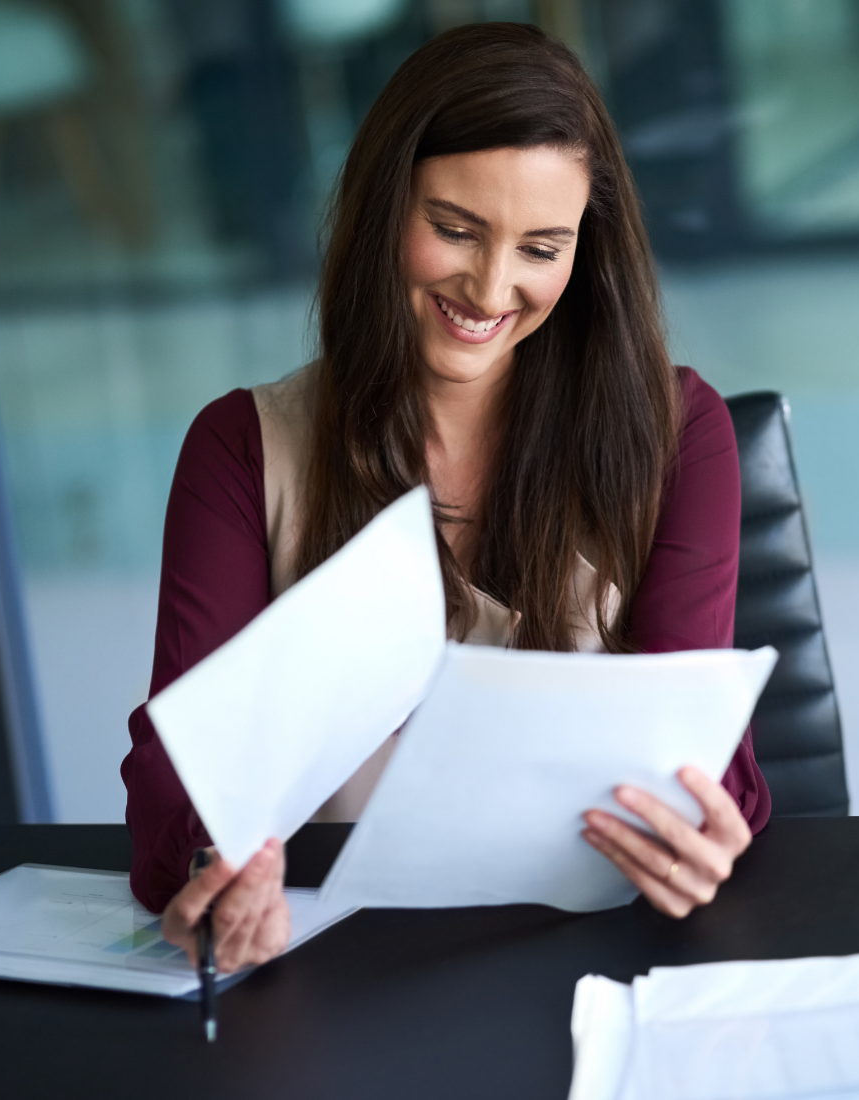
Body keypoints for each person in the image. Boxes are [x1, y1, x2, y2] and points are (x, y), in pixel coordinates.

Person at [121, 22, 770, 974]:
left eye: (541, 247)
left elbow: (698, 742)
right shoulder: (243, 448)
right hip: (343, 968)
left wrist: (707, 825)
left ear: (585, 251)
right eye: (455, 229)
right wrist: (215, 870)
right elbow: (177, 789)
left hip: (591, 951)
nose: (492, 285)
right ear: (384, 209)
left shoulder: (676, 433)